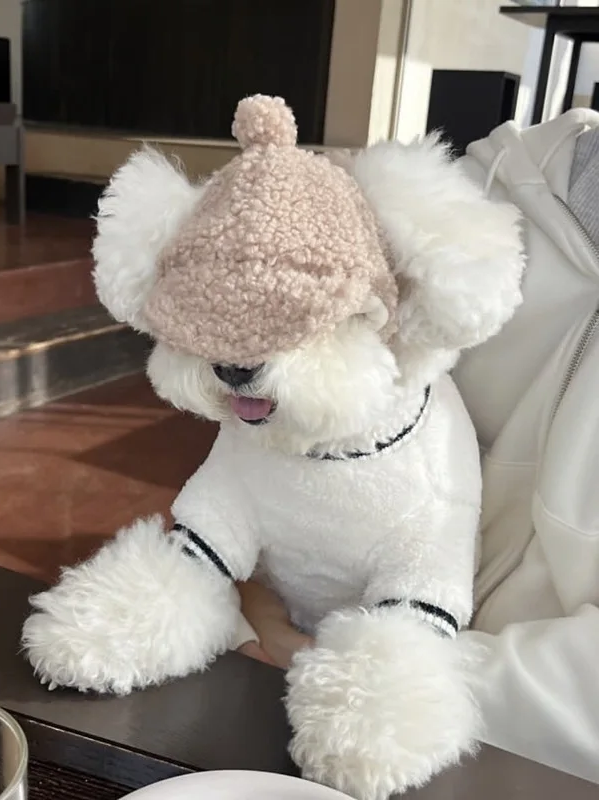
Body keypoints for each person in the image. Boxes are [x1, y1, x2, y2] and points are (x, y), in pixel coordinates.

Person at [237, 106, 599, 785]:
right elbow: (290, 423)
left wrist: (370, 681)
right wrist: (244, 563)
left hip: (528, 765)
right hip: (293, 690)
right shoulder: (457, 198)